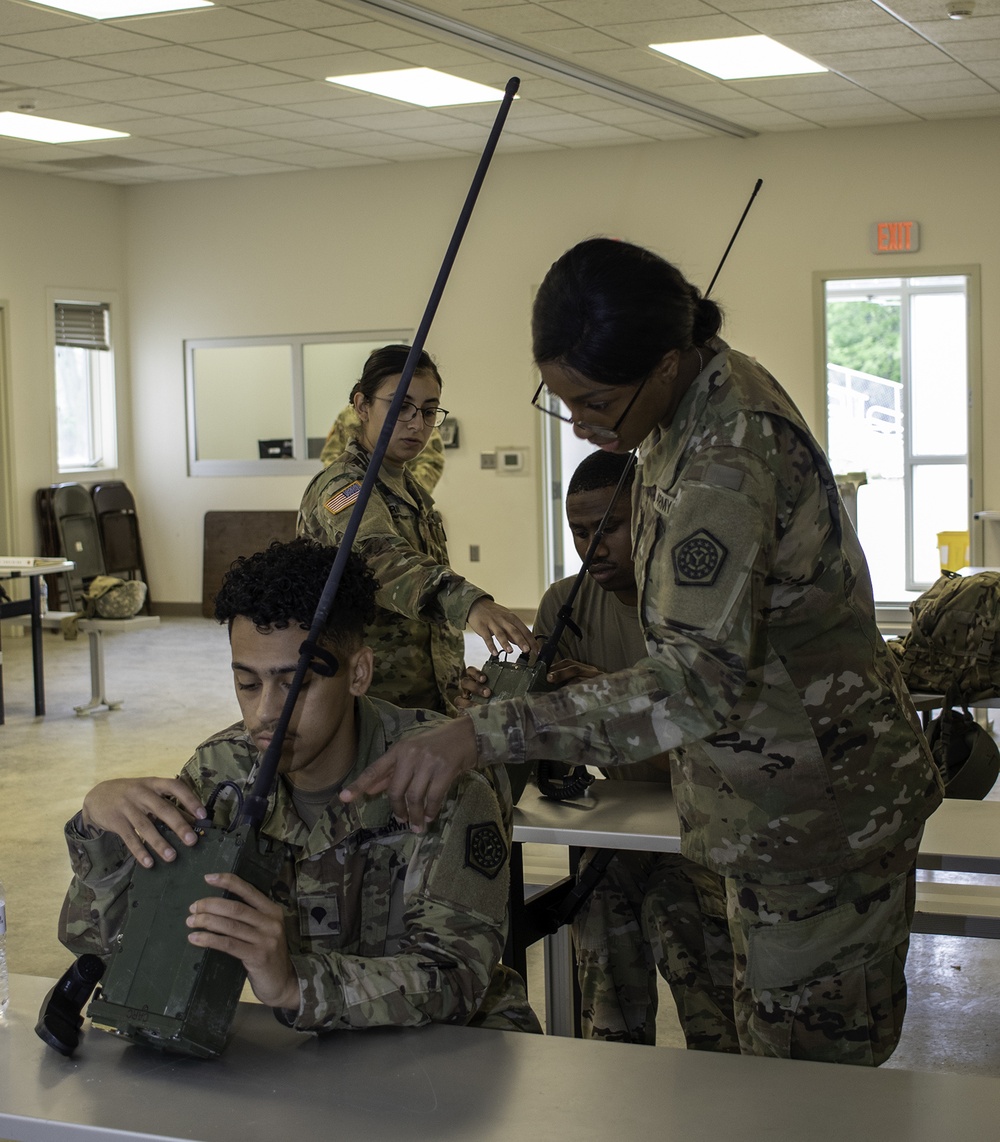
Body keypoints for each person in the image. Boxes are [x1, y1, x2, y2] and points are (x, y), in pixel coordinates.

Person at [342, 238, 945, 1066]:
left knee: (811, 1083)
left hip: (819, 817)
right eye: (562, 401)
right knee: (772, 1053)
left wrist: (485, 733)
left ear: (665, 363)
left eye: (596, 402)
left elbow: (693, 681)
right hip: (774, 803)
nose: (585, 425)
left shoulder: (725, 458)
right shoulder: (685, 405)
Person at [58, 537, 539, 1036]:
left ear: (358, 673)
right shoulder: (219, 776)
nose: (266, 712)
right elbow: (103, 949)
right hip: (309, 1062)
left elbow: (457, 979)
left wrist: (296, 986)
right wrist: (99, 829)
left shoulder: (440, 779)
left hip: (458, 1057)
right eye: (247, 684)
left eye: (296, 683)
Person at [464, 449, 680, 1045]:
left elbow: (725, 741)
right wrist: (500, 703)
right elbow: (550, 759)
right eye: (579, 532)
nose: (593, 548)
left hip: (709, 831)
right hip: (623, 829)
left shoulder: (695, 605)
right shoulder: (567, 605)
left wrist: (604, 696)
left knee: (712, 995)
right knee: (606, 988)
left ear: (651, 519)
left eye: (608, 528)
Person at [298, 344, 535, 715]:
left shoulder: (408, 490)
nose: (416, 423)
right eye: (400, 406)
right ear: (362, 406)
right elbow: (377, 560)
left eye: (428, 411)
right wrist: (469, 602)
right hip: (370, 705)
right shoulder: (345, 486)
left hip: (421, 700)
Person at [320, 401, 446, 492]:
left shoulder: (418, 419)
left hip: (404, 502)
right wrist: (347, 487)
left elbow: (431, 462)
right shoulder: (349, 416)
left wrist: (406, 493)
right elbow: (331, 456)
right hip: (356, 495)